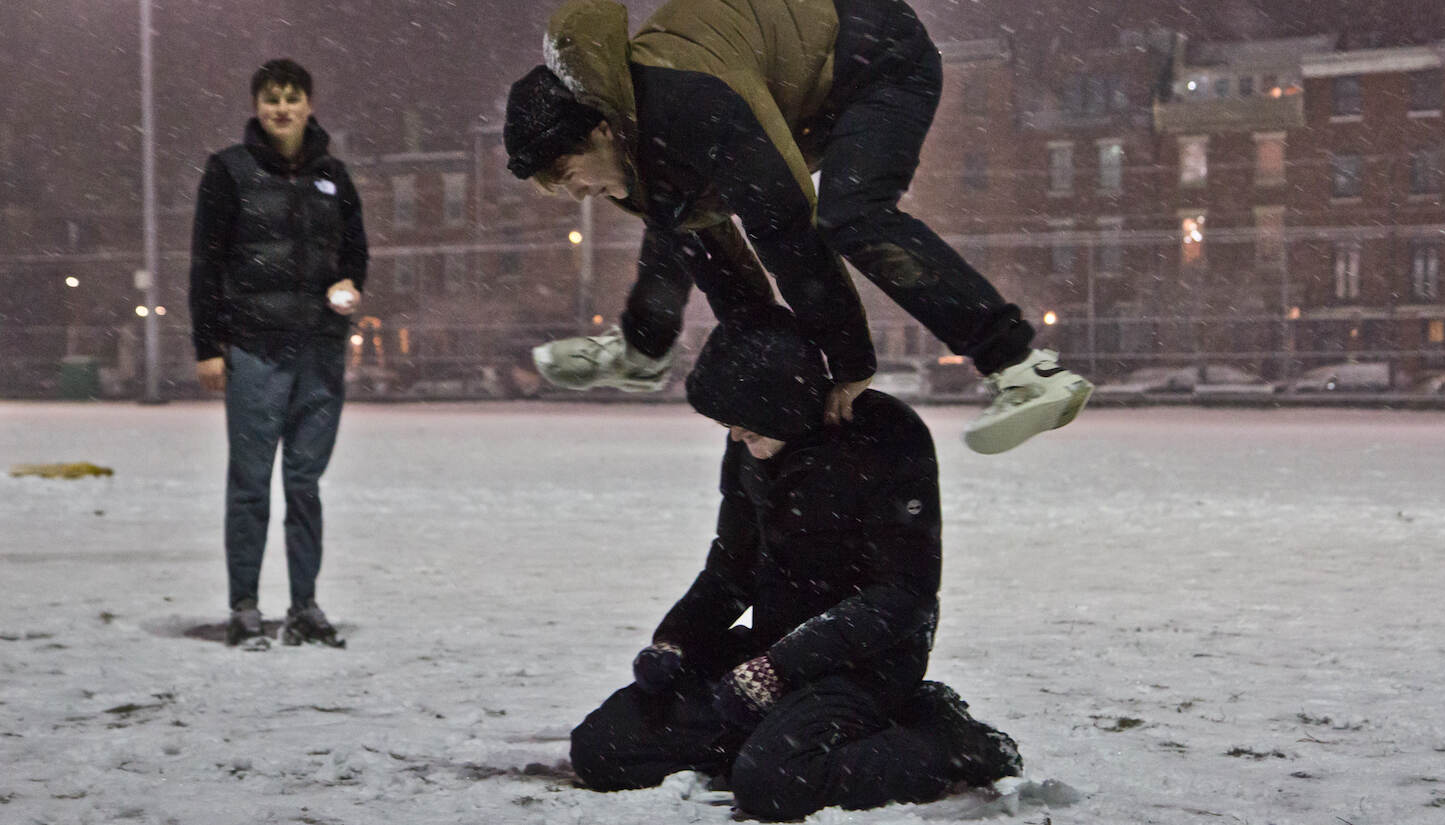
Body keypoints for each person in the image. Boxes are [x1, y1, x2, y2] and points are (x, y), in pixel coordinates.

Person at [502, 0, 1093, 455]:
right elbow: (716, 260)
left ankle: (1022, 369)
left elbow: (786, 232)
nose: (577, 193)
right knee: (679, 222)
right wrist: (773, 377)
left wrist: (850, 364)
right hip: (802, 85)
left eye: (569, 173)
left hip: (879, 58)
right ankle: (643, 349)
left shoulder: (689, 105)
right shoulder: (640, 141)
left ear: (601, 130)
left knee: (852, 215)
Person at [568, 305, 1022, 821]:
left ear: (783, 403)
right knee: (603, 748)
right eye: (726, 424)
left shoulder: (887, 435)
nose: (735, 435)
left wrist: (779, 670)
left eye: (742, 422)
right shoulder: (753, 446)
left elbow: (905, 596)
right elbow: (729, 570)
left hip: (867, 664)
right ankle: (777, 737)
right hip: (771, 648)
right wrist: (675, 641)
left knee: (774, 785)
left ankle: (947, 738)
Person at [188, 58, 367, 649]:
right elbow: (206, 264)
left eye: (292, 98)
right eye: (271, 99)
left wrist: (348, 285)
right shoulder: (229, 171)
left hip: (319, 350)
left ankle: (304, 607)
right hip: (255, 351)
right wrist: (208, 346)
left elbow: (355, 253)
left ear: (309, 104)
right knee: (249, 482)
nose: (282, 108)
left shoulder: (334, 177)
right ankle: (244, 607)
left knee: (304, 484)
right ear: (257, 106)